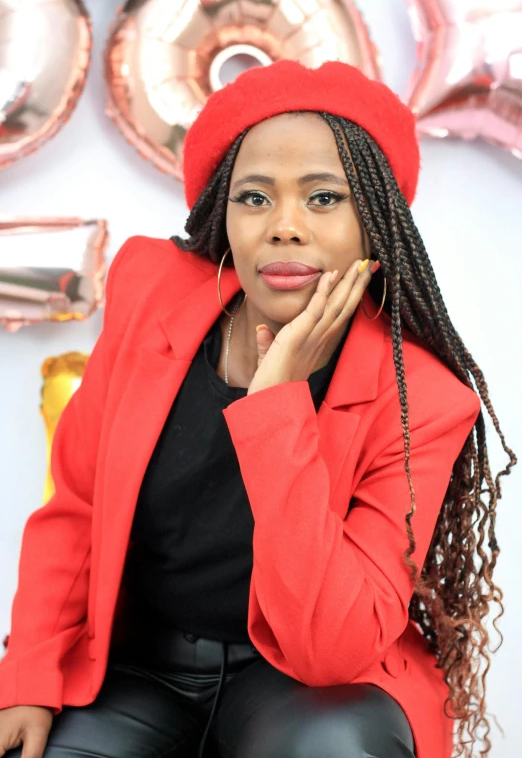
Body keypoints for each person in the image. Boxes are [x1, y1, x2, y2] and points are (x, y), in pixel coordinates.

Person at [0, 60, 515, 758]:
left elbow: (331, 646)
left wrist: (276, 404)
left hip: (305, 683)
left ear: (378, 222)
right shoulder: (152, 291)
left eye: (325, 198)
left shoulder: (423, 400)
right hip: (138, 664)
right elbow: (78, 508)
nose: (286, 227)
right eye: (255, 198)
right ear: (224, 212)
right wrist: (26, 676)